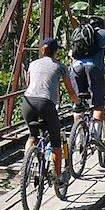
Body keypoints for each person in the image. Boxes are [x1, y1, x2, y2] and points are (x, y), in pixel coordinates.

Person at [22, 38, 80, 183]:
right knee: (55, 142)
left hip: (28, 101)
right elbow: (70, 91)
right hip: (46, 103)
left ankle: (25, 167)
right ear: (56, 51)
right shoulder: (60, 66)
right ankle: (58, 176)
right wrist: (78, 102)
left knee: (32, 135)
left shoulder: (33, 64)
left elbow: (28, 84)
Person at [70, 15, 105, 141]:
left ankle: (79, 138)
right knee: (98, 105)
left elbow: (71, 57)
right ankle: (95, 136)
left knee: (78, 105)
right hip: (94, 69)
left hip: (76, 69)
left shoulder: (78, 33)